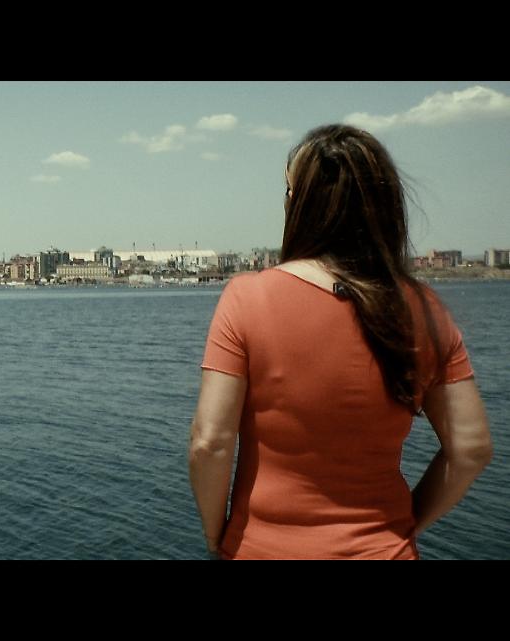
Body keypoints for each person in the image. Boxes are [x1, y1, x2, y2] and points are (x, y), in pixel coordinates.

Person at [188, 124, 493, 559]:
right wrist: (401, 527)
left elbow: (210, 443)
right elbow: (471, 449)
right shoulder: (423, 310)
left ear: (301, 204)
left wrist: (215, 536)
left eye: (289, 191)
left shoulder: (248, 298)